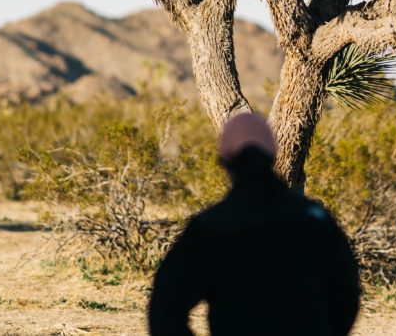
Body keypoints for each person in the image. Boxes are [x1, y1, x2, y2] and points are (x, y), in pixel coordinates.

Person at [148, 113, 360, 336]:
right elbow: (347, 293)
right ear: (273, 155)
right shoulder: (316, 219)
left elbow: (165, 308)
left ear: (225, 162)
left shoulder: (210, 226)